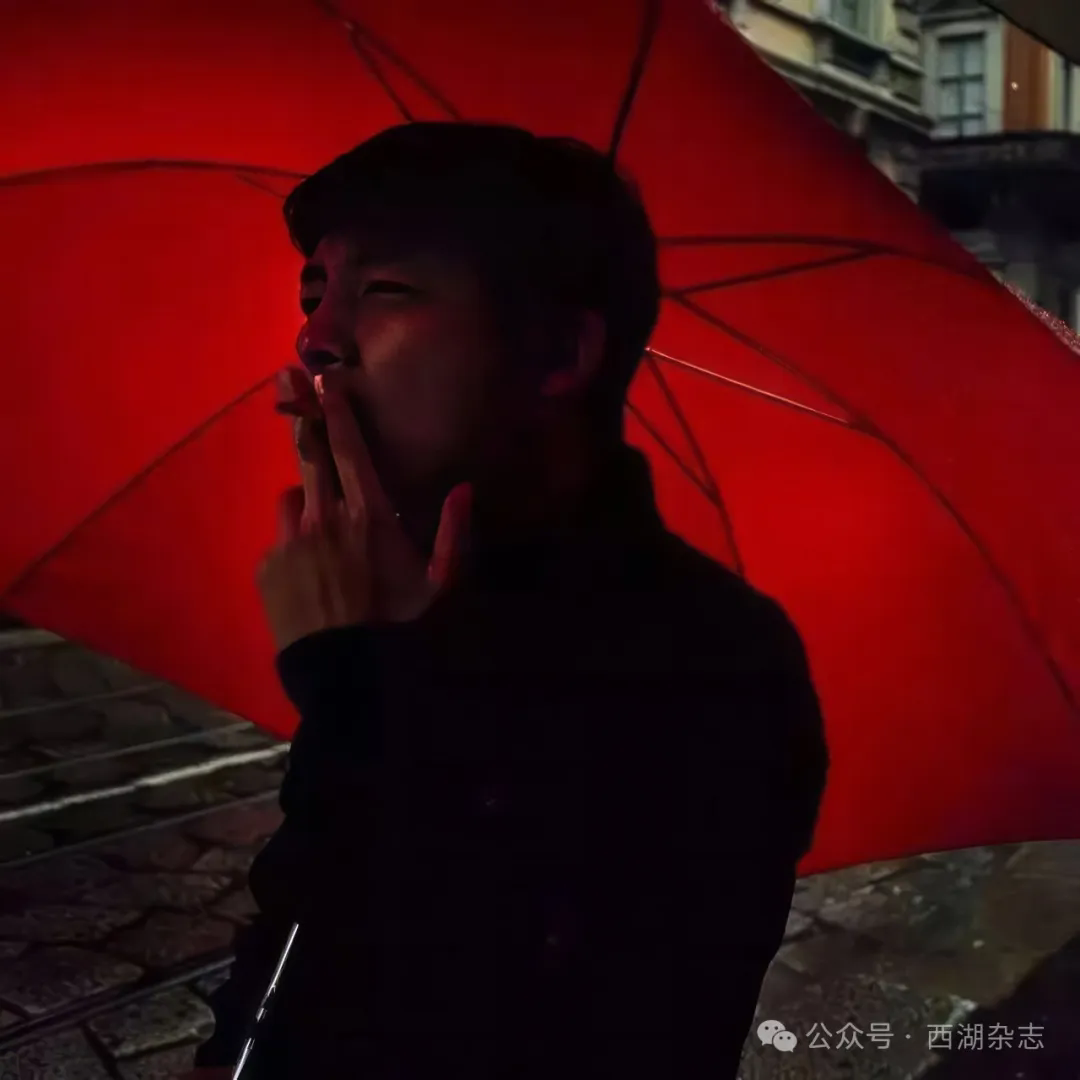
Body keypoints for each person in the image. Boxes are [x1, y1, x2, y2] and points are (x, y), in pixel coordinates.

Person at [188, 121, 828, 1079]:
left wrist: (360, 689)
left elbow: (552, 1019)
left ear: (558, 352)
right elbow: (292, 948)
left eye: (385, 292)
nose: (315, 340)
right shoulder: (418, 584)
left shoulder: (712, 661)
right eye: (313, 294)